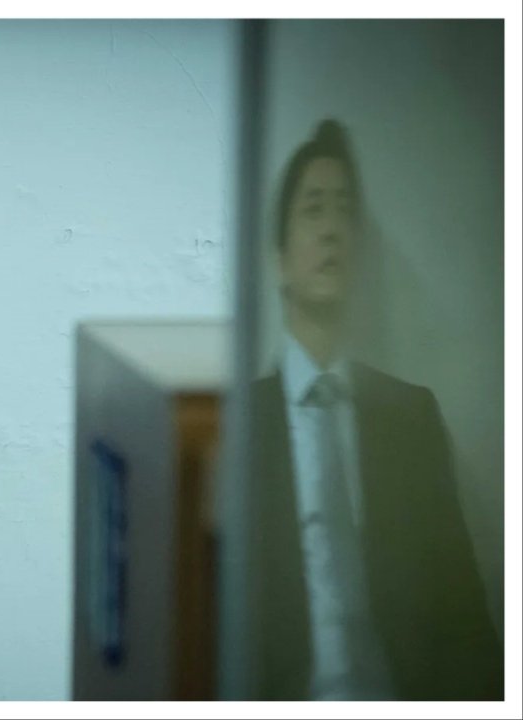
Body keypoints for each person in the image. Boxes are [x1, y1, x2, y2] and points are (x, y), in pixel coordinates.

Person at [247, 119, 501, 700]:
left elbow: (465, 623)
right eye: (313, 209)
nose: (331, 229)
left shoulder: (410, 419)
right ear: (280, 257)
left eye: (344, 211)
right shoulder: (238, 427)